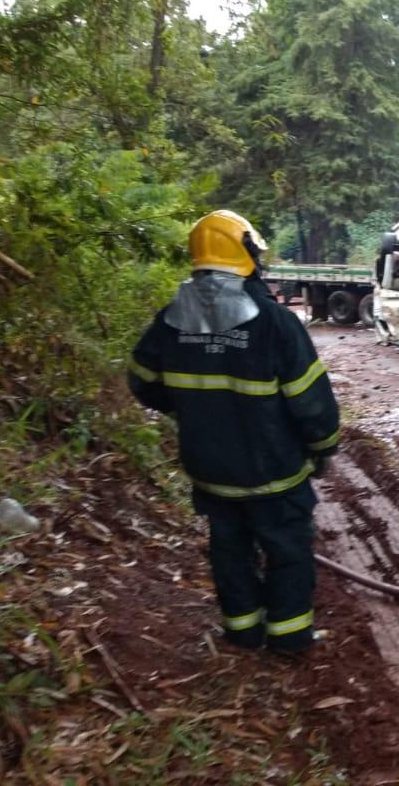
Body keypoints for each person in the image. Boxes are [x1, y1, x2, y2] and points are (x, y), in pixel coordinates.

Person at [127, 210, 339, 653]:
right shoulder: (274, 323)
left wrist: (192, 410)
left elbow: (141, 380)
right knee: (287, 552)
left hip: (211, 471)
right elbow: (311, 402)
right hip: (273, 472)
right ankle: (289, 638)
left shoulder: (170, 320)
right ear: (244, 254)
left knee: (229, 550)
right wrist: (324, 447)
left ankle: (242, 632)